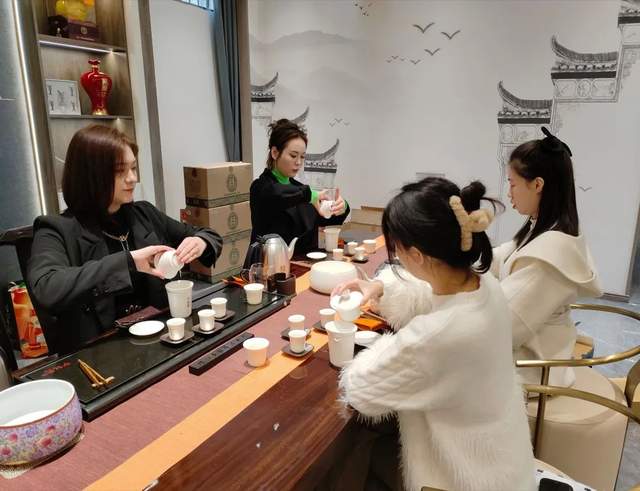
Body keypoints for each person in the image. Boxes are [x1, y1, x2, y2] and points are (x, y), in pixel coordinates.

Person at [334, 178, 535, 491]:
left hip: (459, 480)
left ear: (416, 255)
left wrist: (383, 348)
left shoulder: (432, 338)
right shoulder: (485, 286)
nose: (396, 257)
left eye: (397, 248)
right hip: (506, 465)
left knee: (346, 460)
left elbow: (362, 391)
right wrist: (381, 288)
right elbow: (433, 294)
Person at [27, 125, 223, 354]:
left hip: (160, 343)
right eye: (120, 171)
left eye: (133, 168)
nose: (133, 178)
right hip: (100, 353)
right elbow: (47, 288)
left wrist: (201, 242)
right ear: (90, 175)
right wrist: (128, 262)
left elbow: (209, 235)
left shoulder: (144, 214)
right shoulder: (57, 229)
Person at [492, 127, 602, 387]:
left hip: (531, 368)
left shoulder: (548, 255)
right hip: (532, 355)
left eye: (513, 183)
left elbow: (501, 329)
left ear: (537, 184)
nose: (509, 193)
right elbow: (502, 256)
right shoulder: (547, 227)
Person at [249, 119, 350, 255]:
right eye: (293, 155)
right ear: (275, 153)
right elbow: (277, 194)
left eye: (302, 157)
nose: (298, 162)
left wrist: (341, 207)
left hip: (304, 263)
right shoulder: (260, 187)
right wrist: (311, 195)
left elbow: (325, 219)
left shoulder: (299, 189)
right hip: (269, 263)